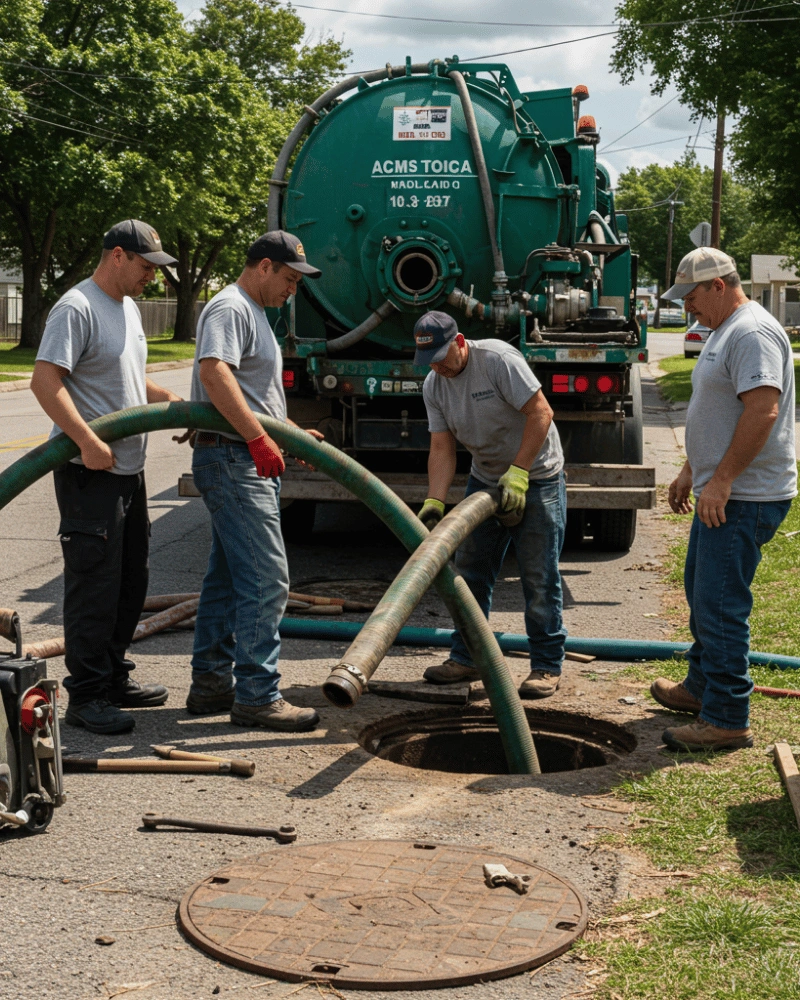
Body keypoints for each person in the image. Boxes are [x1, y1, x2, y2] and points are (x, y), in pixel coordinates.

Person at [31, 219, 182, 735]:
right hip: (89, 474)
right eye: (145, 267)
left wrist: (169, 402)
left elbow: (126, 375)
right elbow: (46, 381)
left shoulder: (128, 307)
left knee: (129, 581)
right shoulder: (76, 307)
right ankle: (87, 695)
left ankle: (114, 675)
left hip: (129, 471)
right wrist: (88, 441)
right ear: (117, 255)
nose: (151, 278)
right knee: (94, 586)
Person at [655, 247, 797, 751]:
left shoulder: (751, 332)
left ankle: (727, 717)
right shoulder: (723, 329)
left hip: (745, 497)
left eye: (691, 297)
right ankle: (701, 687)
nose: (687, 307)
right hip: (723, 490)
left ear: (718, 285)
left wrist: (723, 480)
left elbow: (762, 410)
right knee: (701, 591)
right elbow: (715, 410)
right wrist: (694, 468)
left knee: (719, 606)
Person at [187, 230, 323, 731]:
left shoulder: (257, 314)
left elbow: (251, 393)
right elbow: (215, 373)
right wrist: (258, 439)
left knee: (227, 582)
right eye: (288, 279)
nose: (292, 289)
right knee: (268, 581)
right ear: (263, 266)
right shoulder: (232, 308)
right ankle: (258, 696)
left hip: (239, 455)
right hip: (234, 460)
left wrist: (285, 433)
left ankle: (211, 685)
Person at [414, 311, 567, 697]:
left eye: (442, 356)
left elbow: (541, 412)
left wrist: (519, 472)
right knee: (470, 571)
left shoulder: (497, 360)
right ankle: (468, 658)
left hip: (537, 475)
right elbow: (441, 446)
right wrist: (436, 497)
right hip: (484, 479)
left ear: (460, 342)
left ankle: (546, 666)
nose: (438, 367)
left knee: (538, 574)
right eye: (429, 360)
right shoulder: (434, 385)